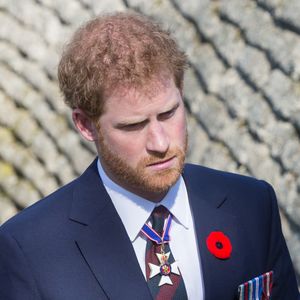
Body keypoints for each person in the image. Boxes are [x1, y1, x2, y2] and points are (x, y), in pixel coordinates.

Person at [0, 12, 299, 300]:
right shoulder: (28, 251)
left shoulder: (253, 206)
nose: (160, 142)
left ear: (181, 92)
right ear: (85, 124)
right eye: (134, 125)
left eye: (169, 113)